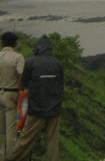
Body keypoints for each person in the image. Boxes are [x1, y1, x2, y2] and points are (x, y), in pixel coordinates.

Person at [7, 35, 63, 161]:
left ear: (37, 49)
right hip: (55, 108)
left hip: (36, 107)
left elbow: (23, 84)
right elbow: (61, 85)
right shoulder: (58, 63)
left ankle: (11, 159)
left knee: (26, 139)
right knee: (53, 141)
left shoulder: (30, 62)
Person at [0, 32, 24, 160]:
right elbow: (21, 74)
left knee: (1, 130)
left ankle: (1, 156)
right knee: (10, 130)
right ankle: (10, 157)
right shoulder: (18, 57)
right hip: (11, 93)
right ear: (15, 43)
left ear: (2, 43)